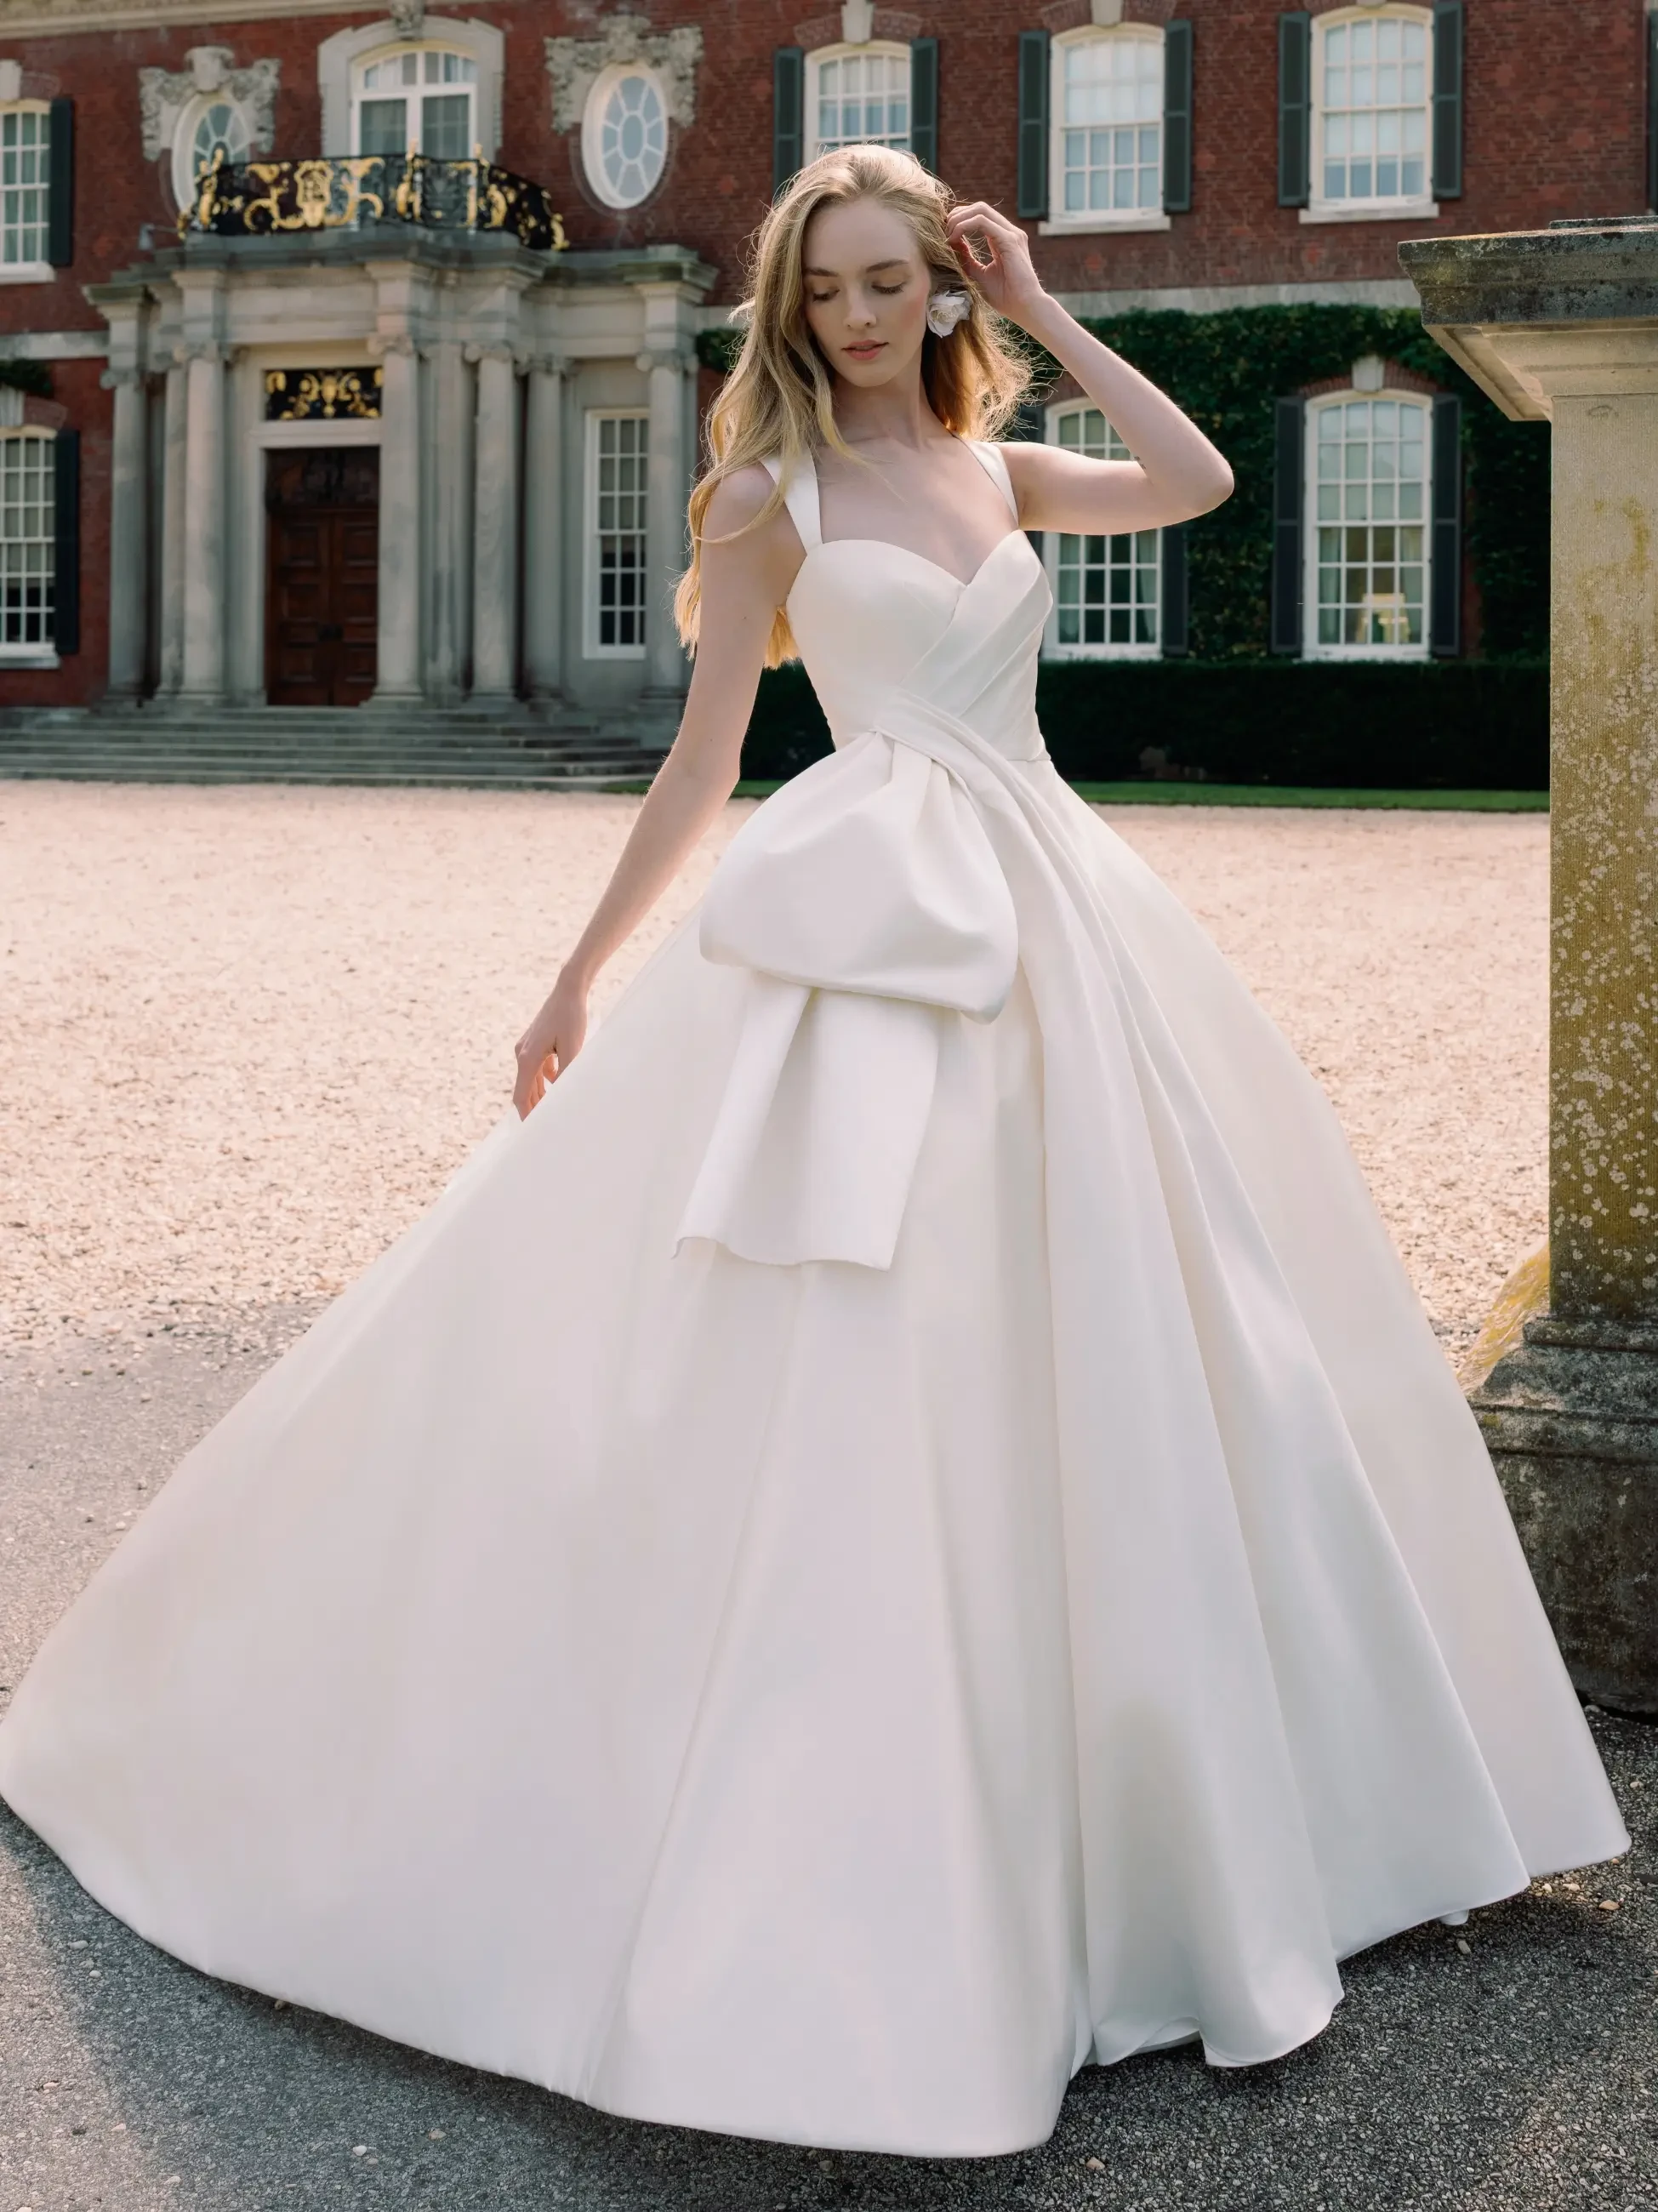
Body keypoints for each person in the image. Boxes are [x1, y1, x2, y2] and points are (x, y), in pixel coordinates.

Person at [0, 147, 1627, 2161]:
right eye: (829, 289)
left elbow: (1197, 482)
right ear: (789, 309)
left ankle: (1185, 1827)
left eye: (890, 283)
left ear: (934, 294)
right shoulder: (770, 503)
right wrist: (575, 979)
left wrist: (1034, 304)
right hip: (853, 939)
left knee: (1158, 1329)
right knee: (843, 1342)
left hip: (1062, 933)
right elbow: (706, 761)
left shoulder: (1001, 466)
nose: (860, 317)